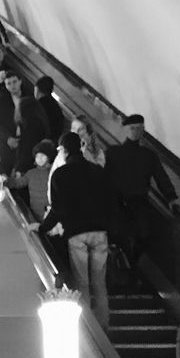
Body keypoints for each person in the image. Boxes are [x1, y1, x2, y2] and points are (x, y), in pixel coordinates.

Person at [39, 131, 115, 328]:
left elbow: (57, 209)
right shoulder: (97, 170)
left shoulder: (60, 175)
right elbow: (110, 202)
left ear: (64, 150)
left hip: (76, 233)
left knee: (82, 283)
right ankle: (104, 325)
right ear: (80, 147)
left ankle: (88, 327)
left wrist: (42, 228)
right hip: (100, 232)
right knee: (99, 282)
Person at [105, 113, 179, 272]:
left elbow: (161, 177)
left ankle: (128, 269)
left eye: (140, 128)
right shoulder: (113, 153)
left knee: (141, 237)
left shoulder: (147, 155)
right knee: (127, 236)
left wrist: (171, 197)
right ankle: (124, 270)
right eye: (133, 128)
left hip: (137, 203)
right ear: (125, 129)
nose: (136, 131)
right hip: (118, 203)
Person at [12, 138, 57, 221]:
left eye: (43, 156)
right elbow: (19, 183)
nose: (39, 158)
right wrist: (6, 181)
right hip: (34, 213)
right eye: (37, 156)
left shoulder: (54, 173)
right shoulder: (31, 173)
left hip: (50, 213)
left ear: (49, 157)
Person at [35, 76, 66, 144]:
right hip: (54, 141)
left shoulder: (38, 105)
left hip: (41, 141)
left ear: (37, 90)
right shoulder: (55, 105)